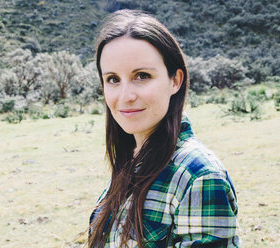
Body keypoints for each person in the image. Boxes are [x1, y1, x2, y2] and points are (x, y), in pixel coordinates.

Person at [88, 9, 240, 248]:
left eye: (142, 75)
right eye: (113, 79)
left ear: (175, 81)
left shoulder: (199, 176)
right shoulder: (132, 158)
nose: (125, 96)